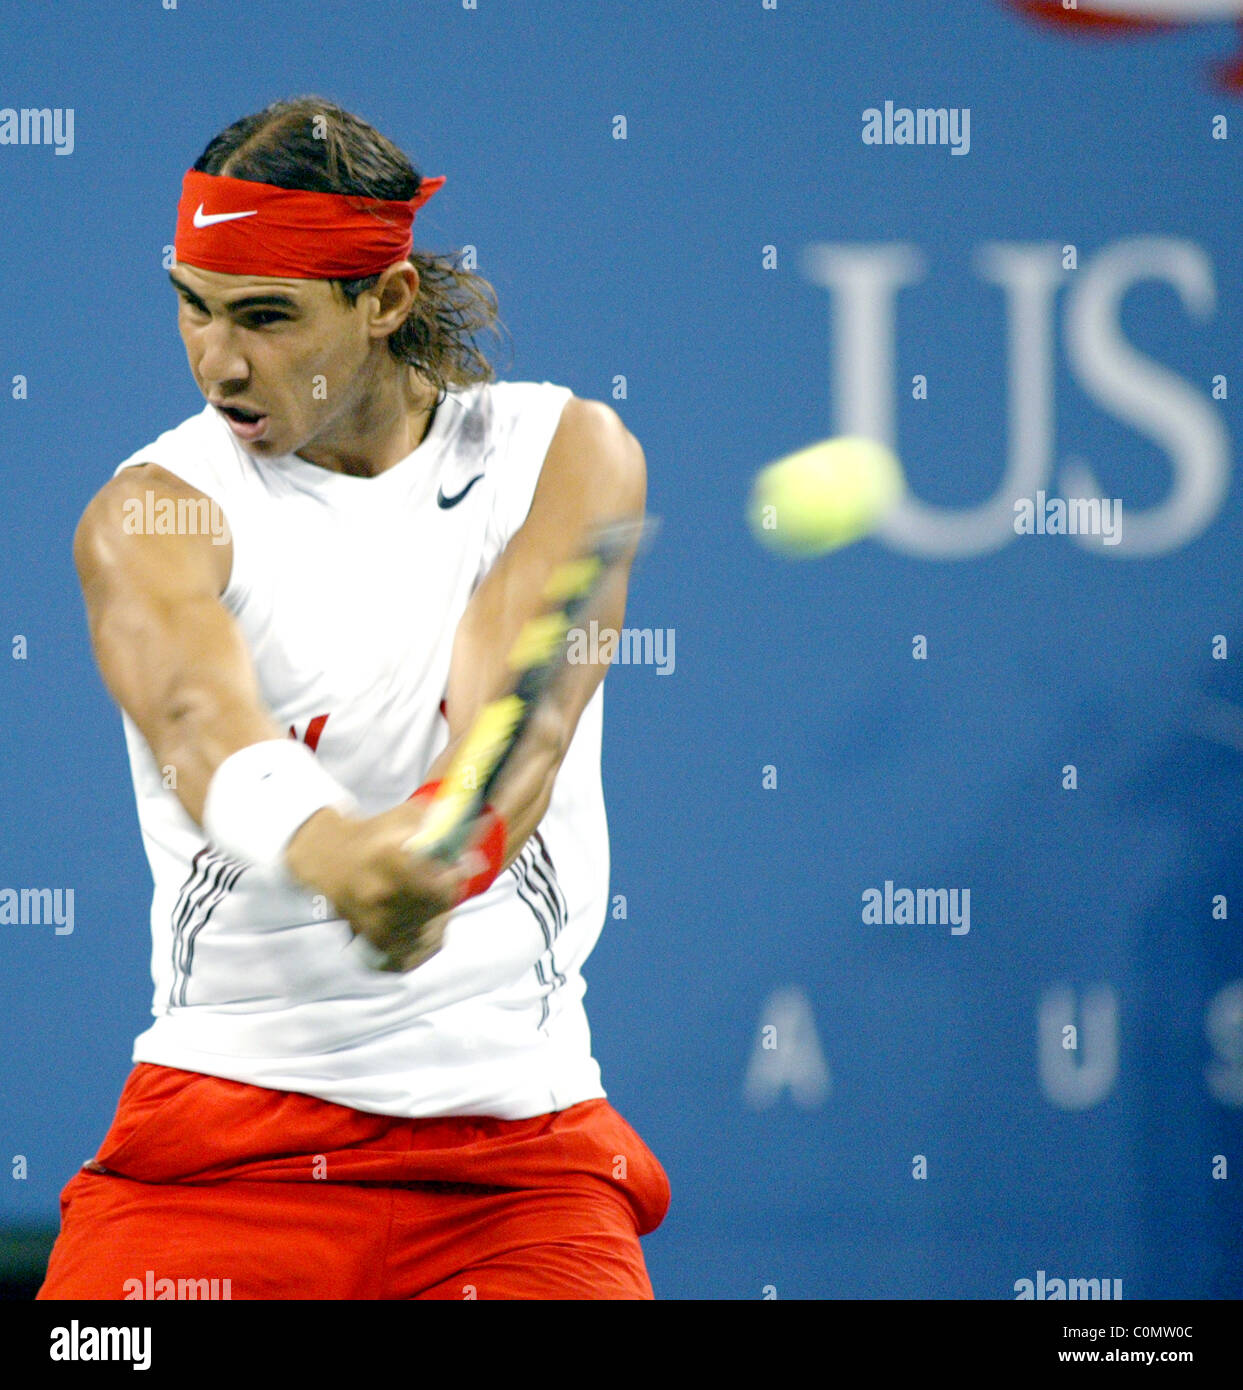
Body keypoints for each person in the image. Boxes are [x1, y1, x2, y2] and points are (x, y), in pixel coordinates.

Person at [37, 95, 669, 1301]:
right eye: (193, 306)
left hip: (516, 1168)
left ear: (384, 303)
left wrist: (452, 839)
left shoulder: (560, 450)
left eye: (266, 317)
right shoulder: (152, 508)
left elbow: (520, 703)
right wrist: (334, 852)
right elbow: (189, 710)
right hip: (218, 1154)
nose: (219, 361)